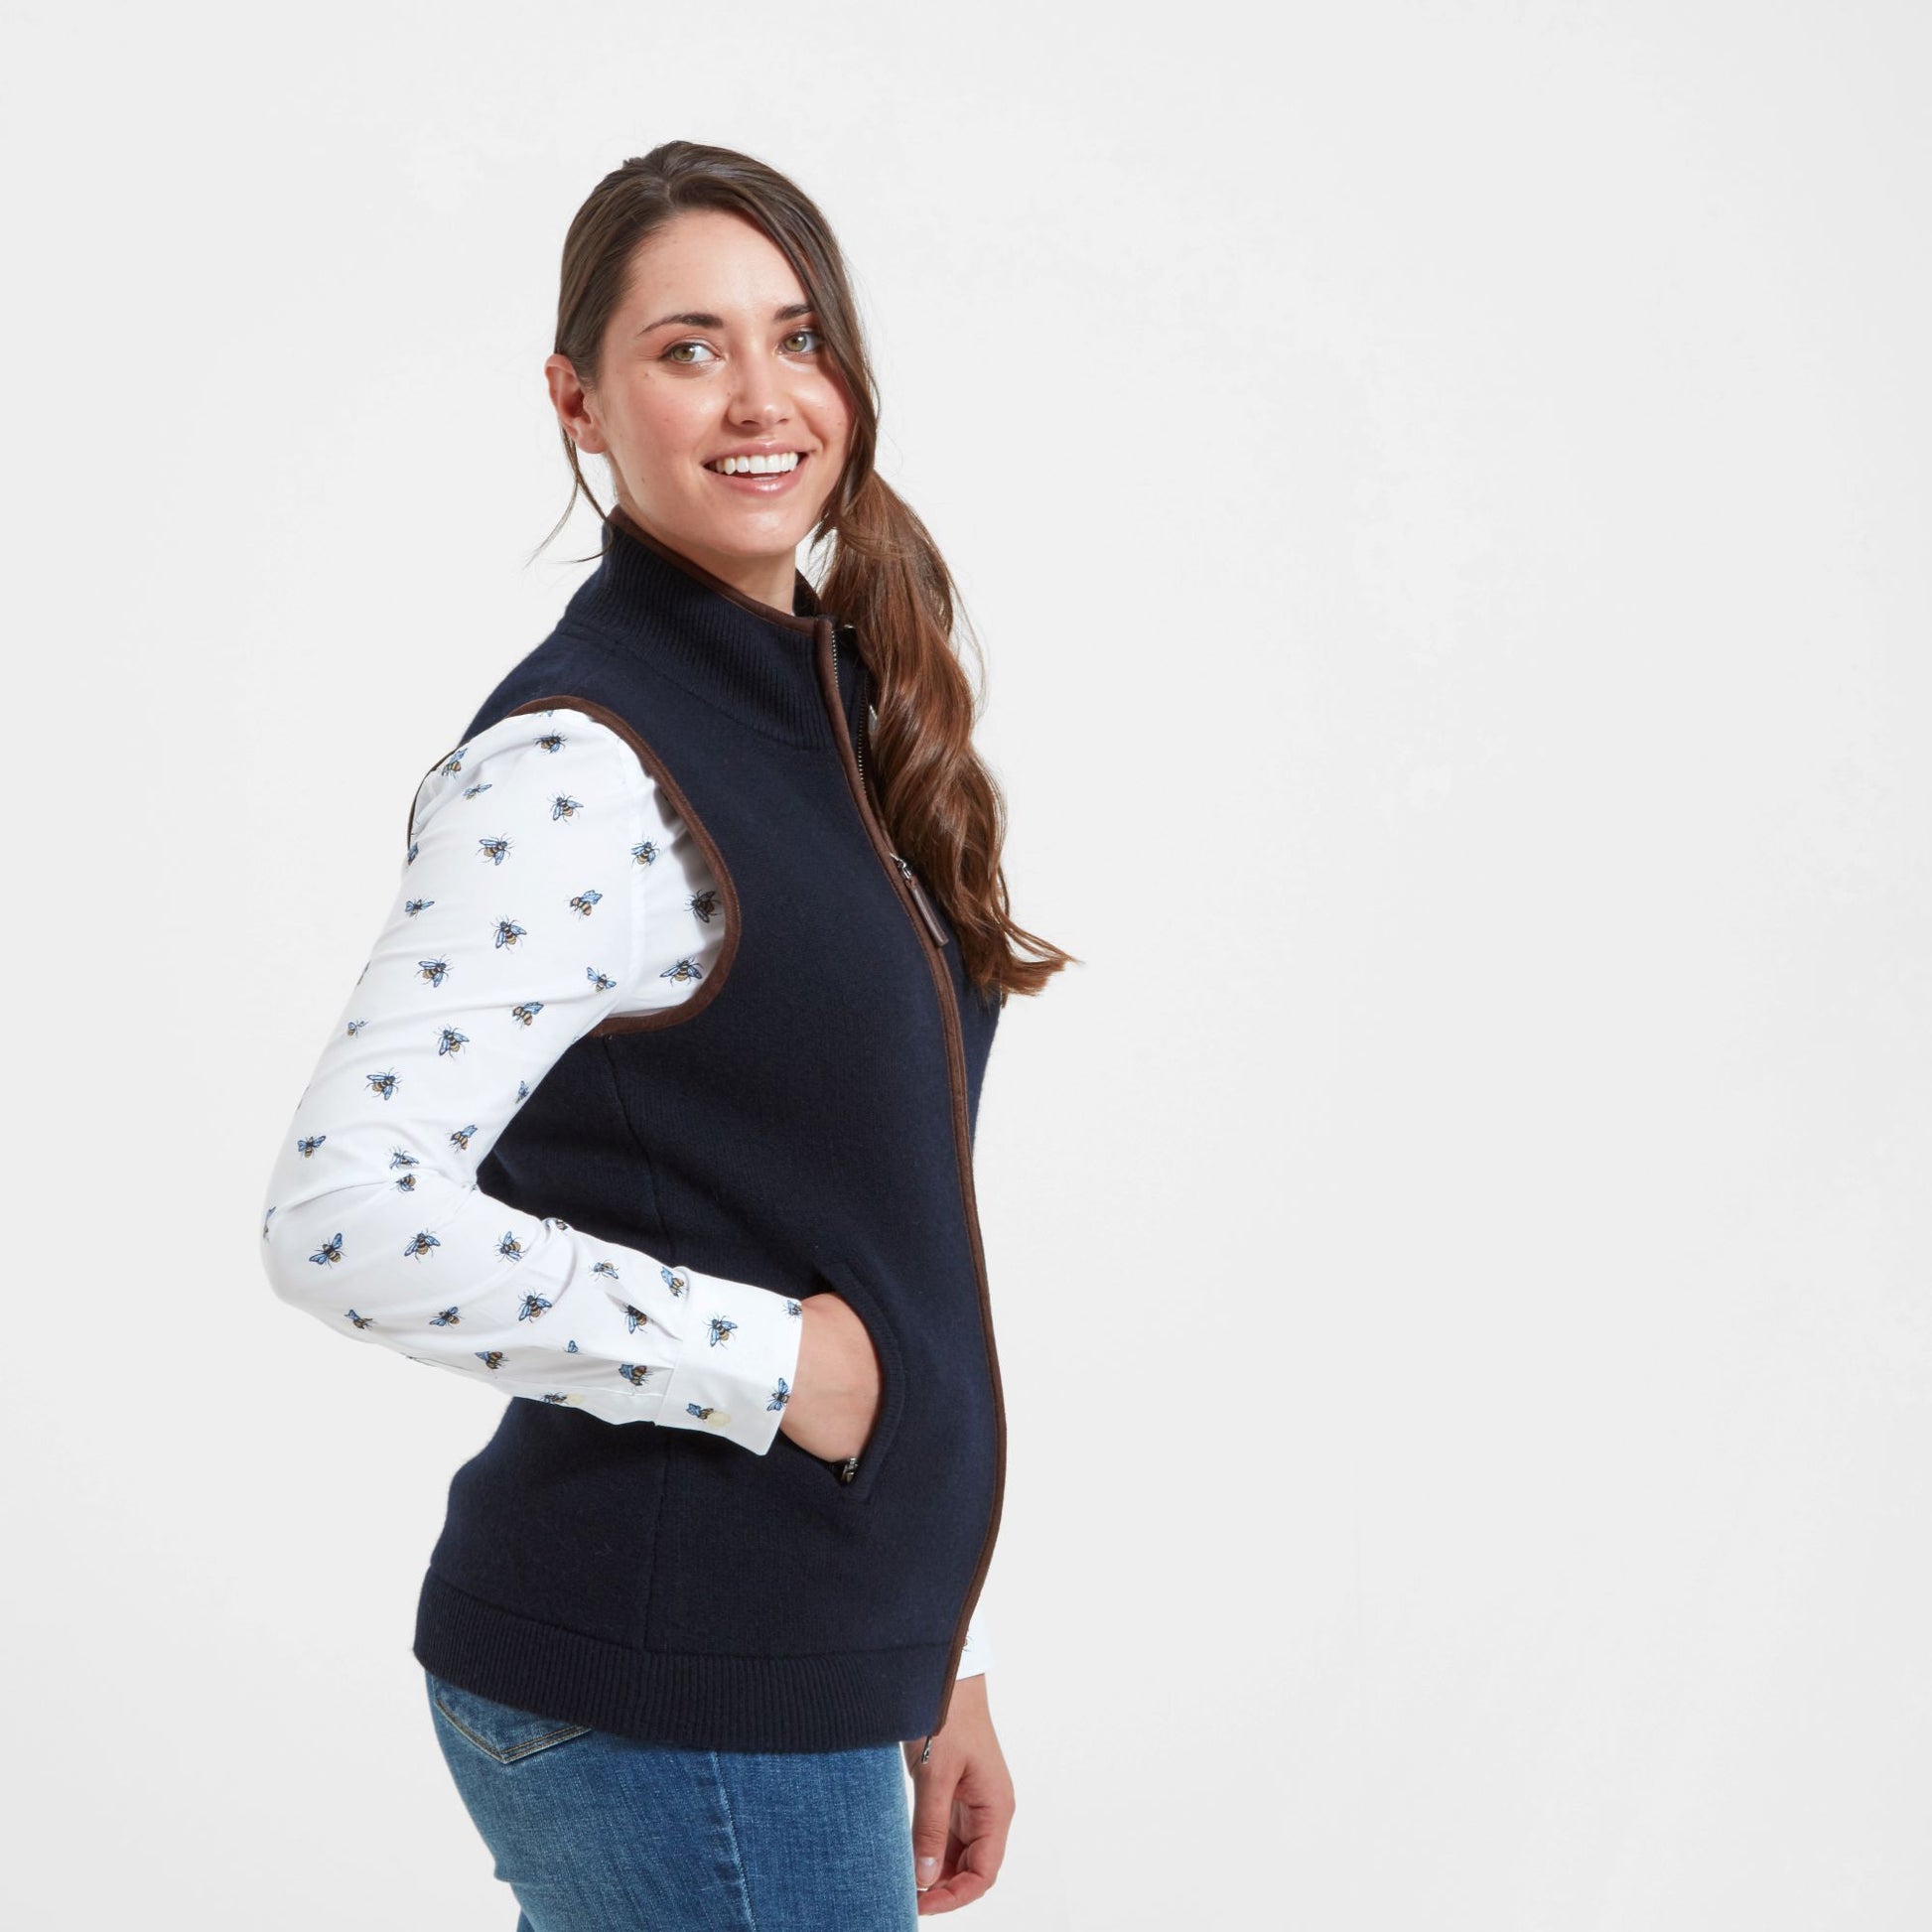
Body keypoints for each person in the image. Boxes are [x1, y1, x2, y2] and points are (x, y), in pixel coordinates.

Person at [258, 140, 1076, 1929]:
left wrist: (935, 1648)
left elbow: (879, 1218)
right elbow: (341, 1213)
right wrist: (786, 1367)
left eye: (798, 337)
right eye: (688, 348)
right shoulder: (577, 765)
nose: (761, 398)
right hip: (677, 1683)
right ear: (579, 402)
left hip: (799, 1647)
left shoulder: (833, 708)